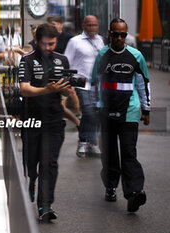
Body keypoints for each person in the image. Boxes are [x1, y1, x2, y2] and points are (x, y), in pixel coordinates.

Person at [91, 18, 150, 212]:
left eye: (122, 34)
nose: (119, 38)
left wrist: (146, 109)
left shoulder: (136, 56)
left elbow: (143, 84)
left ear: (127, 34)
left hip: (130, 111)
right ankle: (111, 186)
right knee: (109, 153)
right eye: (115, 34)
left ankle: (134, 193)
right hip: (106, 112)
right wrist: (95, 105)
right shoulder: (102, 55)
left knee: (128, 152)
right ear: (109, 33)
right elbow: (95, 83)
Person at [19, 23, 73, 222]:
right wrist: (45, 89)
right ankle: (31, 179)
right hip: (31, 118)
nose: (49, 47)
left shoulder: (62, 60)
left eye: (53, 43)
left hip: (54, 119)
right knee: (31, 163)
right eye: (45, 44)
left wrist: (66, 89)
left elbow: (67, 91)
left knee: (49, 163)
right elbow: (24, 89)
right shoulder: (26, 61)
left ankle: (45, 205)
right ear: (36, 42)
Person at [64, 15, 105, 158]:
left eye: (95, 25)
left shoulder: (101, 41)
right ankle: (83, 141)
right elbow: (66, 61)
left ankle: (91, 143)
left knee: (97, 114)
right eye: (89, 25)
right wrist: (68, 83)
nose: (92, 28)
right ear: (83, 25)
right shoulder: (75, 42)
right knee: (88, 112)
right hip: (82, 83)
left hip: (98, 85)